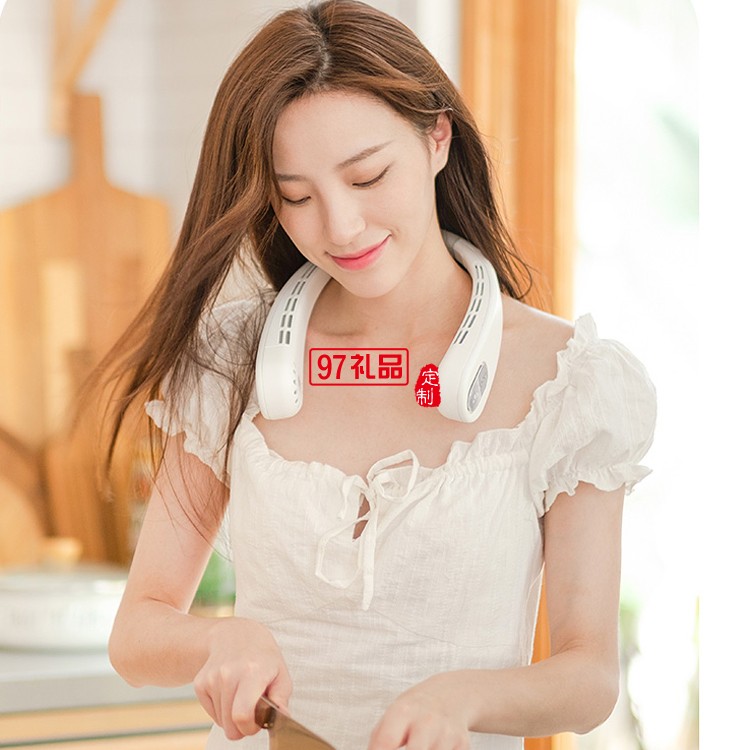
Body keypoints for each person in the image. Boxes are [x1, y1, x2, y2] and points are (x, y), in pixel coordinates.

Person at [105, 2, 657, 749]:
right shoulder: (235, 359)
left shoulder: (568, 381)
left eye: (367, 176)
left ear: (437, 137)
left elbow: (588, 679)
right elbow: (137, 633)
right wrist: (217, 640)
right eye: (296, 196)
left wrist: (463, 698)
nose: (341, 227)